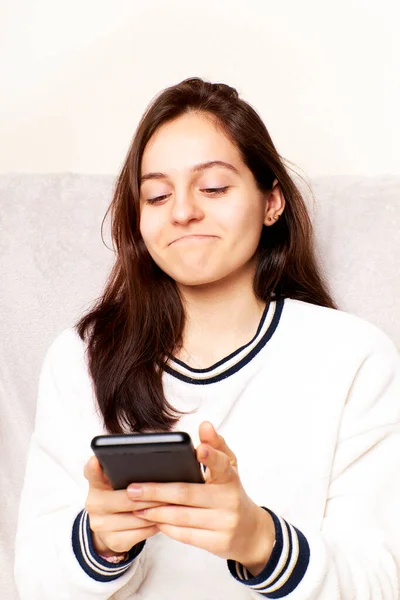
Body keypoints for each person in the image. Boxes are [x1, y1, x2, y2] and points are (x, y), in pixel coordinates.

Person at [14, 77, 400, 600]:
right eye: (157, 194)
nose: (182, 211)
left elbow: (380, 583)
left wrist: (261, 541)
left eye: (214, 188)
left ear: (272, 204)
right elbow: (32, 583)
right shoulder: (83, 357)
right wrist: (100, 543)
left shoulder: (354, 358)